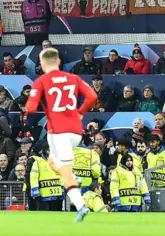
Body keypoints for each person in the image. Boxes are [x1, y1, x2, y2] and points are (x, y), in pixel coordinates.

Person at [23, 47, 98, 222]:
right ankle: (74, 177)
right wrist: (80, 111)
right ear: (58, 62)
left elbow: (31, 108)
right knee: (51, 162)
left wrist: (37, 102)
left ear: (41, 64)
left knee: (64, 171)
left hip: (59, 131)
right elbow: (92, 96)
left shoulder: (41, 81)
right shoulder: (73, 78)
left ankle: (81, 206)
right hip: (75, 130)